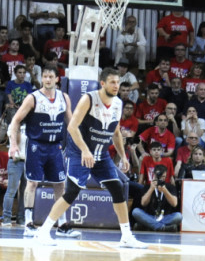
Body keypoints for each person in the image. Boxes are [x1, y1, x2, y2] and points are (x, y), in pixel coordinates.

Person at [34, 68, 146, 248]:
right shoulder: (89, 99)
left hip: (101, 154)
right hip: (79, 152)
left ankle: (126, 236)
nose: (116, 86)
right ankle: (43, 232)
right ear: (103, 83)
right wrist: (85, 150)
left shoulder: (118, 103)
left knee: (117, 188)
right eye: (112, 82)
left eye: (118, 82)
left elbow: (116, 132)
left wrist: (124, 156)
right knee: (71, 191)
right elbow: (72, 127)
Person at [8, 67, 77, 237]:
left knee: (60, 184)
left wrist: (81, 145)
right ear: (41, 79)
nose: (47, 79)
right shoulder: (33, 98)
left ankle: (61, 224)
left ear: (57, 79)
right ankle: (29, 223)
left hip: (55, 146)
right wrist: (13, 144)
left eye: (50, 76)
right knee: (32, 183)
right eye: (44, 76)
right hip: (36, 146)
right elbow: (15, 121)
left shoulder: (64, 97)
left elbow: (71, 123)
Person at [132, 165, 182, 232]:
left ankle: (148, 226)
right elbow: (143, 203)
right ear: (154, 175)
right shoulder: (147, 187)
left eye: (163, 177)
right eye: (158, 176)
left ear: (166, 176)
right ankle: (162, 228)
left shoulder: (170, 187)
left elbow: (174, 204)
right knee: (136, 212)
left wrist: (165, 191)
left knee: (178, 216)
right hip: (150, 216)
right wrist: (151, 189)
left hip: (165, 217)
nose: (160, 179)